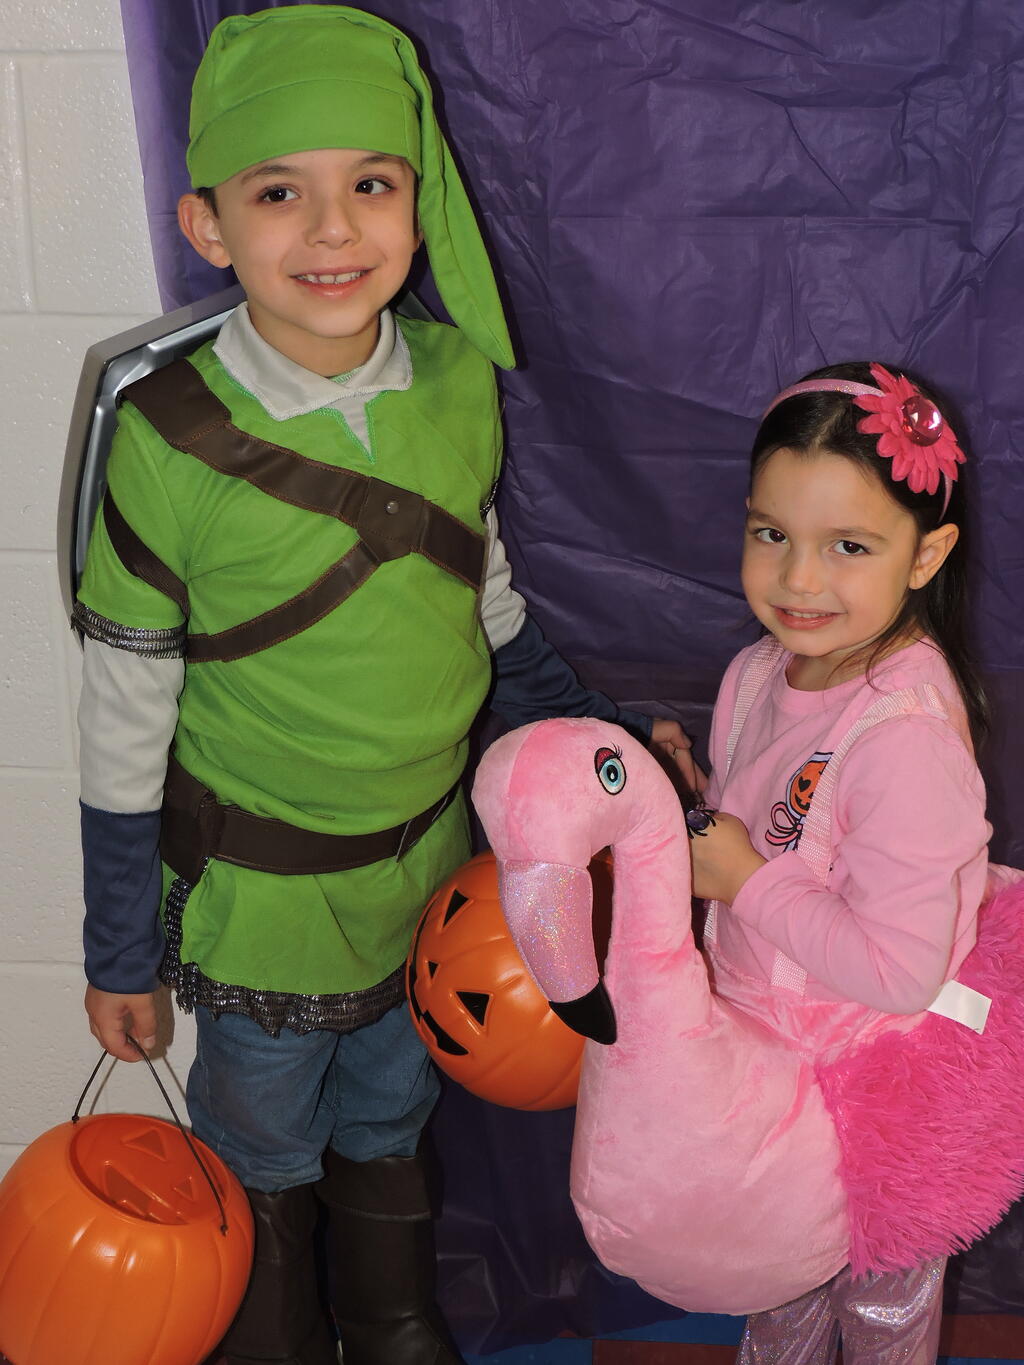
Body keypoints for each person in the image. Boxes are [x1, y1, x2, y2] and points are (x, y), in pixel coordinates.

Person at [72, 8, 697, 1365]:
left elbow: (487, 605)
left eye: (370, 182)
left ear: (416, 207)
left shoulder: (457, 384)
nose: (332, 229)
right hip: (261, 906)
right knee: (261, 1147)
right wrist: (119, 945)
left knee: (390, 1118)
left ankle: (398, 1326)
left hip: (423, 879)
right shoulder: (166, 434)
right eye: (277, 193)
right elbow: (124, 714)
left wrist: (610, 760)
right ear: (206, 223)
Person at [688, 360, 989, 1365]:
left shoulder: (904, 737)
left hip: (871, 1099)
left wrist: (744, 878)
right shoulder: (755, 671)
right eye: (770, 533)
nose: (798, 580)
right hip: (766, 1075)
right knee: (778, 1297)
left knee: (880, 1315)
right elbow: (773, 825)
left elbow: (898, 970)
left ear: (925, 554)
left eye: (848, 546)